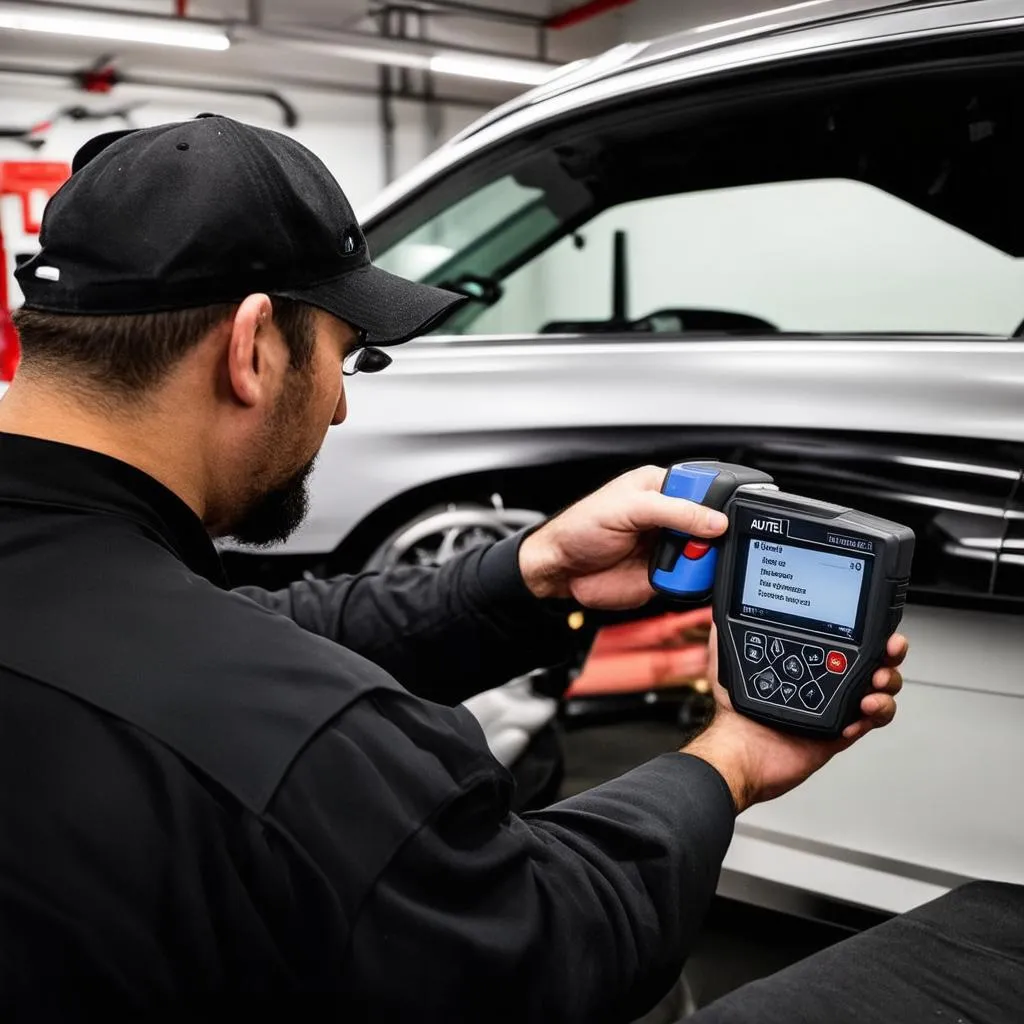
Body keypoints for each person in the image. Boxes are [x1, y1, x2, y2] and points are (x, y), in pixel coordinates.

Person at [0, 116, 906, 1023]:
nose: (344, 408)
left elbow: (239, 643)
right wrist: (732, 760)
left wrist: (533, 572)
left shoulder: (111, 622)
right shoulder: (299, 744)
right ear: (252, 349)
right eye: (348, 358)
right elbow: (546, 949)